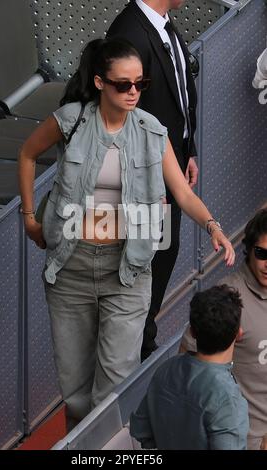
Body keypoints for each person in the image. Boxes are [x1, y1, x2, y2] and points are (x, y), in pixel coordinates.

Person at [18, 37, 234, 427]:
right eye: (124, 84)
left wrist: (213, 226)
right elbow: (27, 154)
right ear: (100, 83)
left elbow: (182, 192)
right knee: (78, 395)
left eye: (141, 84)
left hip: (128, 271)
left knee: (112, 390)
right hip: (72, 267)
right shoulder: (72, 119)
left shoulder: (152, 131)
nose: (134, 92)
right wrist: (30, 216)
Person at [107, 0, 199, 361]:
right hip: (147, 182)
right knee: (144, 266)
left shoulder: (163, 25)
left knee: (161, 258)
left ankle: (141, 349)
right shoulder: (129, 30)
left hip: (169, 166)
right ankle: (132, 357)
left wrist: (187, 149)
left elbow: (177, 95)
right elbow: (119, 116)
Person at [180, 208, 267, 450]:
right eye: (262, 253)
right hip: (241, 441)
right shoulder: (228, 299)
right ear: (248, 250)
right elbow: (186, 367)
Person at [130, 285, 249, 450]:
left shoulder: (166, 369)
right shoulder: (228, 399)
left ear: (192, 331)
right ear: (239, 334)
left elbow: (142, 432)